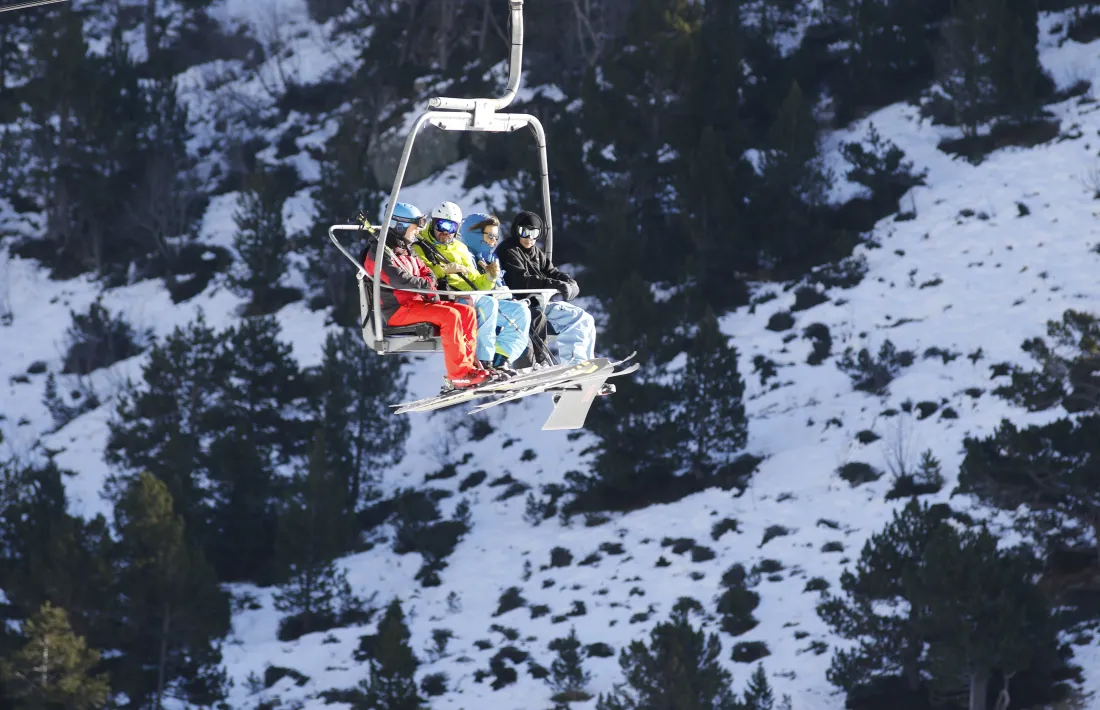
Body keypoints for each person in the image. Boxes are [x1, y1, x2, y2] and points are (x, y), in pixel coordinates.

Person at [361, 201, 492, 390]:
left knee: (466, 312)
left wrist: (427, 281)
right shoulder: (379, 254)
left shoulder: (406, 249)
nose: (418, 231)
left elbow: (427, 272)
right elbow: (398, 279)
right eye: (415, 227)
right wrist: (425, 284)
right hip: (399, 310)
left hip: (418, 304)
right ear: (400, 226)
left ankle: (469, 368)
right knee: (450, 315)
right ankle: (459, 375)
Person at [413, 201, 530, 377]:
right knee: (487, 305)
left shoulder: (460, 248)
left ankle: (501, 360)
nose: (446, 232)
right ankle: (484, 362)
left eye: (452, 227)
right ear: (433, 223)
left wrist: (489, 277)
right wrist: (442, 270)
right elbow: (422, 278)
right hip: (449, 297)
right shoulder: (420, 248)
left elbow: (476, 282)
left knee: (520, 312)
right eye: (442, 225)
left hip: (474, 297)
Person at [497, 210, 597, 366]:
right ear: (516, 231)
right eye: (524, 232)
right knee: (537, 317)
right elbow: (522, 280)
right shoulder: (508, 251)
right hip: (519, 307)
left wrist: (569, 282)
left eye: (534, 233)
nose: (529, 238)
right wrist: (555, 284)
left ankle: (578, 363)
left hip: (540, 304)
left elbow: (552, 272)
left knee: (581, 318)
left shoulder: (536, 252)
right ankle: (541, 362)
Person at [460, 212, 556, 369]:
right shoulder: (465, 256)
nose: (494, 241)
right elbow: (470, 284)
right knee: (516, 314)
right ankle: (487, 363)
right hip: (475, 304)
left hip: (494, 301)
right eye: (490, 236)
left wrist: (508, 297)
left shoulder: (490, 258)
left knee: (522, 312)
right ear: (475, 235)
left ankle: (501, 360)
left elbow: (499, 283)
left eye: (496, 237)